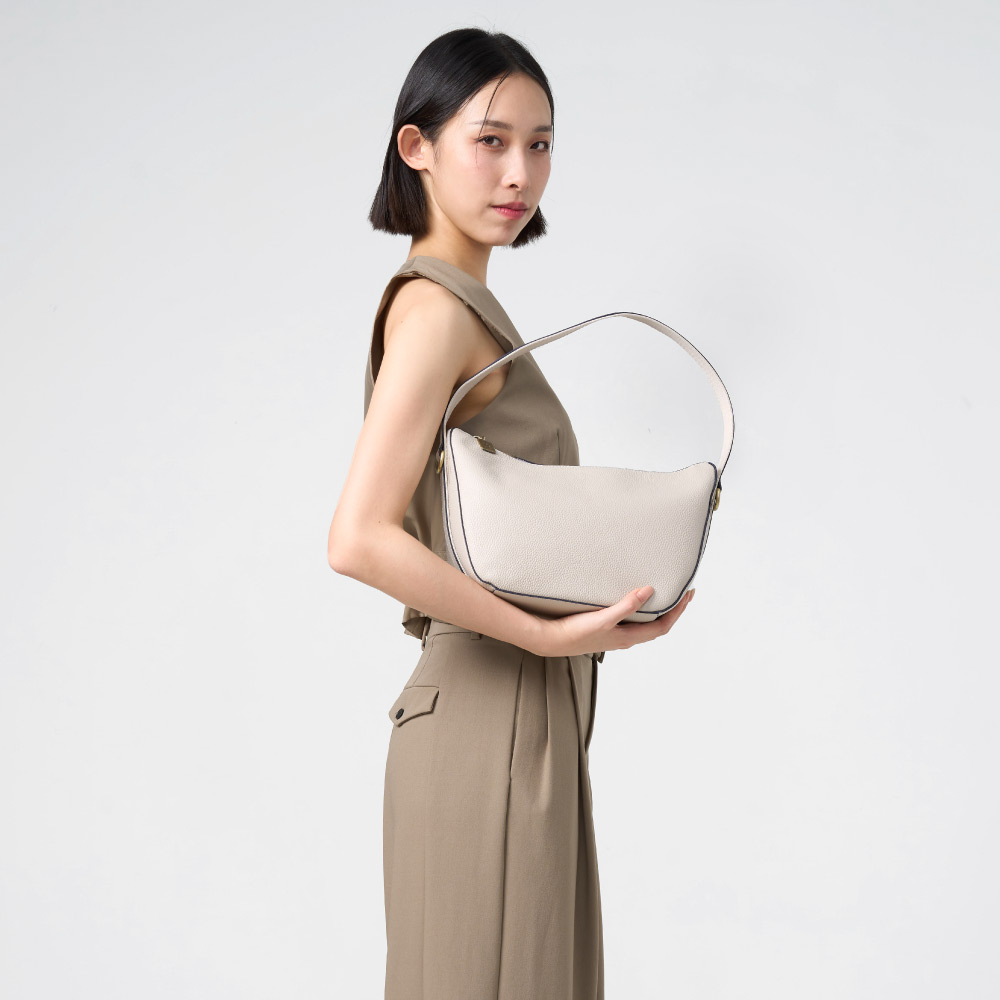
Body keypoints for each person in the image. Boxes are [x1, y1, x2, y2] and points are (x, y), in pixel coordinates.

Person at [327, 27, 695, 1000]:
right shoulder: (438, 312)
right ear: (417, 147)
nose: (519, 172)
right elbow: (357, 537)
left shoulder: (463, 313)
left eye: (540, 144)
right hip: (490, 707)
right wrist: (542, 634)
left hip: (516, 713)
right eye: (489, 140)